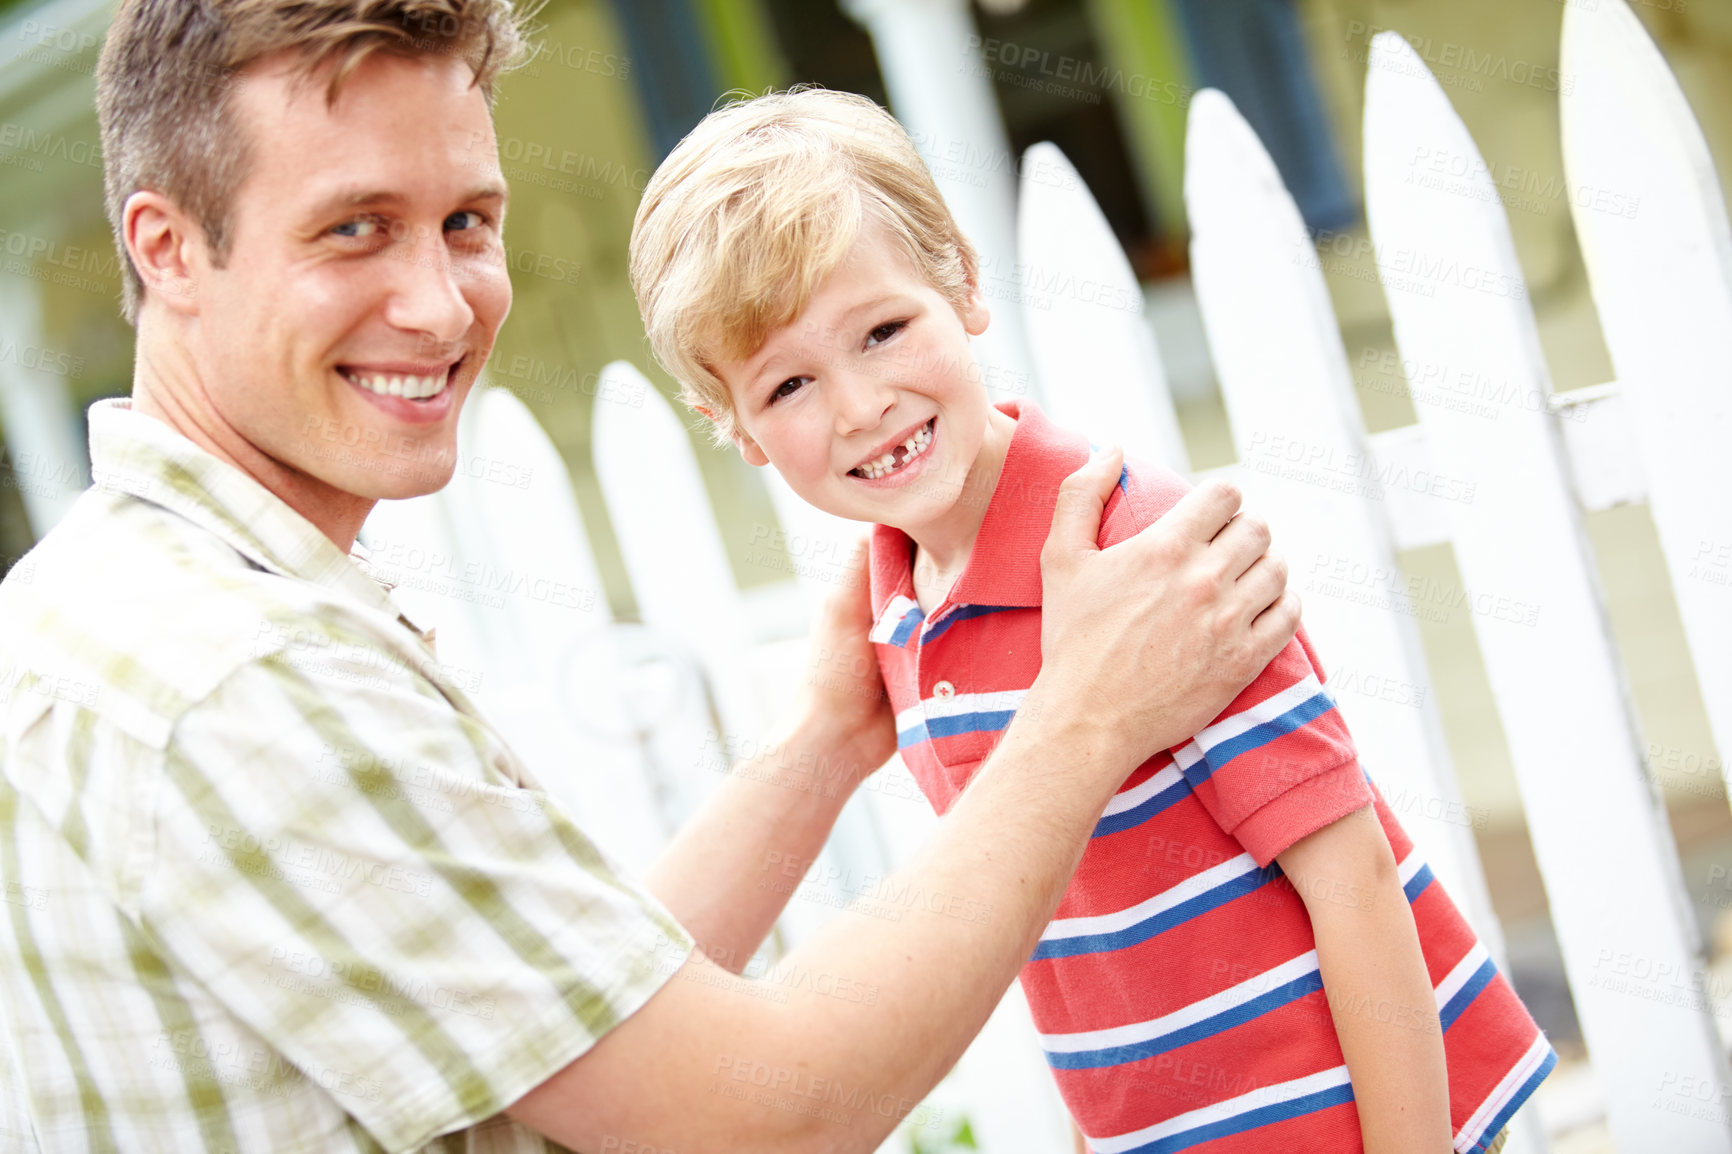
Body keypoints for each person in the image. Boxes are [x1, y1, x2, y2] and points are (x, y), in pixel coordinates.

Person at [0, 1, 1306, 1150]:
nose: (443, 304)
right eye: (353, 229)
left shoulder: (95, 609)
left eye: (466, 221)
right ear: (168, 248)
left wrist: (823, 740)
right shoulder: (245, 676)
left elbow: (570, 1029)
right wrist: (1083, 720)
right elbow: (762, 1118)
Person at [627, 88, 1554, 1154]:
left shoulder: (1139, 549)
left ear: (962, 282)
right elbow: (1053, 927)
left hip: (1341, 1113)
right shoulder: (888, 616)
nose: (858, 405)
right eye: (789, 383)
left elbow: (1351, 873)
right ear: (732, 425)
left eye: (882, 330)